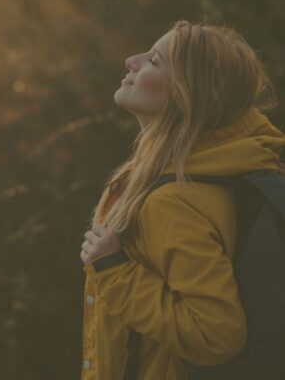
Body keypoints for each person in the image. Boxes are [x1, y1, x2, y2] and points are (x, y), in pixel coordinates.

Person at [79, 19, 285, 380]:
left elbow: (216, 335)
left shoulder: (172, 202)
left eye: (155, 61)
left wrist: (115, 272)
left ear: (188, 95)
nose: (132, 60)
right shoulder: (241, 166)